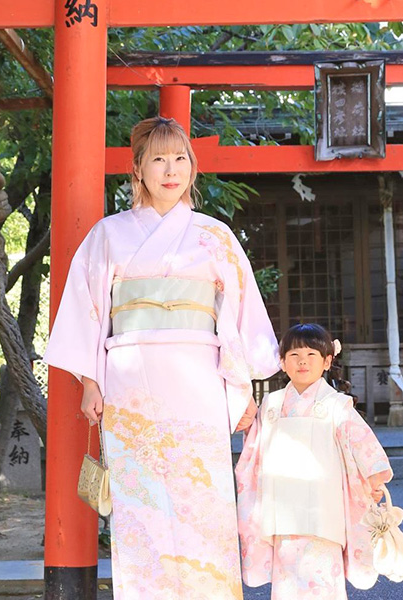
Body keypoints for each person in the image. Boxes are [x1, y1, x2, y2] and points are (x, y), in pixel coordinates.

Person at [43, 116, 279, 600]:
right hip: (130, 381)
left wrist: (243, 391)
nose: (170, 170)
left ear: (192, 169)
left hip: (198, 379)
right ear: (137, 170)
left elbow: (239, 316)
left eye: (180, 159)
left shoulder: (215, 235)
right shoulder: (108, 235)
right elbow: (86, 310)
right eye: (158, 159)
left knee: (202, 497)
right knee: (141, 503)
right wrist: (90, 382)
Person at [235, 323, 394, 599]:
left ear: (327, 361)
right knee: (286, 580)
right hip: (281, 505)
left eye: (311, 355)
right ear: (282, 362)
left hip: (323, 507)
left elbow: (361, 442)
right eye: (294, 356)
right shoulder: (271, 405)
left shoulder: (335, 405)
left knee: (322, 579)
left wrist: (373, 478)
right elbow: (253, 452)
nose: (302, 362)